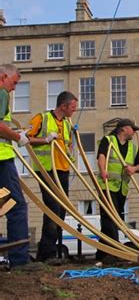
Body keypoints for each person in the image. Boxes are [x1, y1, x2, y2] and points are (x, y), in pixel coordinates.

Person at [28, 91, 78, 263]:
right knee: (53, 209)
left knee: (62, 211)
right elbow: (25, 138)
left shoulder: (67, 123)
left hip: (62, 170)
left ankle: (45, 252)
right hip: (46, 170)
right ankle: (47, 253)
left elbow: (68, 146)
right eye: (72, 107)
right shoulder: (41, 118)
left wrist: (71, 151)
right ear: (63, 106)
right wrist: (45, 140)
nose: (74, 110)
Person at [96, 118, 139, 260]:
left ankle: (103, 253)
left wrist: (133, 168)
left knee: (114, 218)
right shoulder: (108, 140)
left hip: (122, 188)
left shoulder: (133, 147)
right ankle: (115, 250)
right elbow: (102, 155)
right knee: (111, 217)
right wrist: (103, 170)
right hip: (108, 185)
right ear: (123, 128)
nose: (134, 132)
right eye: (132, 129)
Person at [0, 64, 31, 269]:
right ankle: (19, 260)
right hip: (2, 160)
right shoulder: (1, 93)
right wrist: (18, 137)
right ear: (3, 77)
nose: (14, 89)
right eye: (14, 83)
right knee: (16, 206)